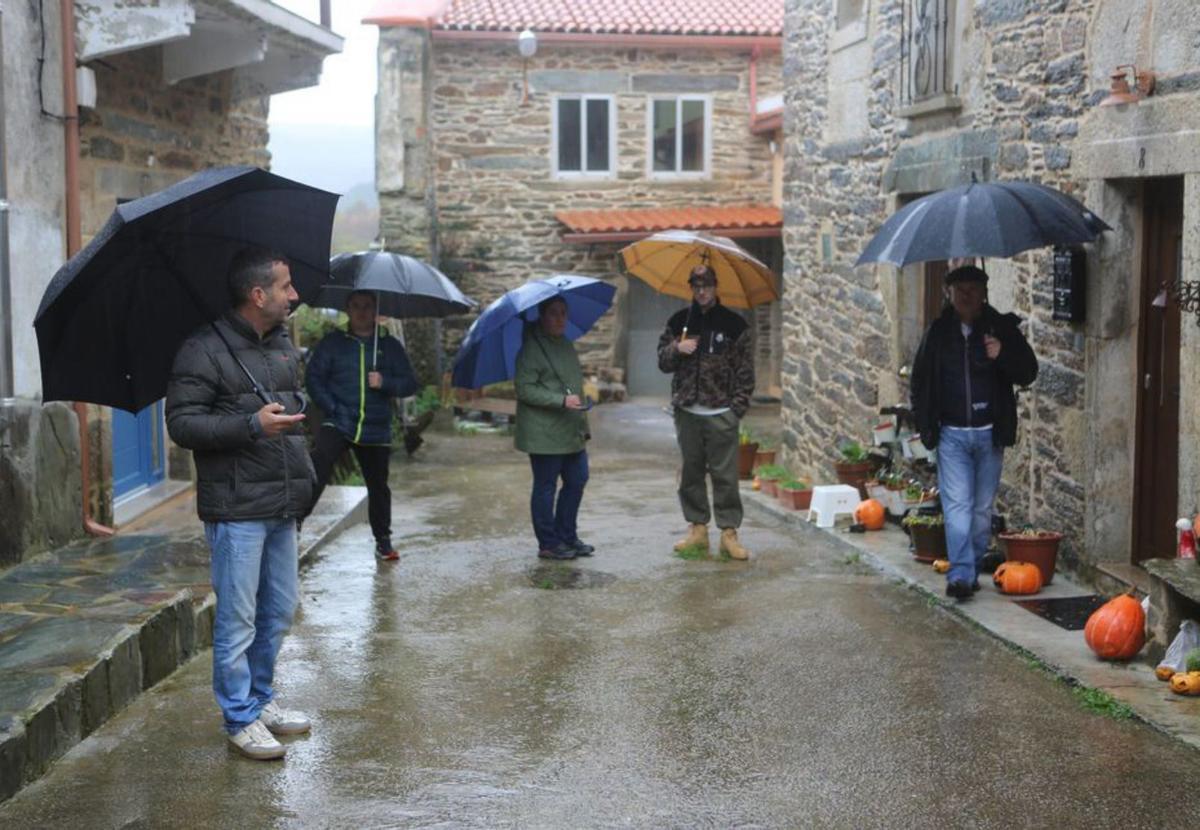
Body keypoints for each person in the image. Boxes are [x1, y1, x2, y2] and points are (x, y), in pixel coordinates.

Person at [166, 248, 315, 761]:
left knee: (277, 612)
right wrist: (251, 424)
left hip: (282, 499)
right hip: (236, 509)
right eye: (285, 286)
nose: (294, 295)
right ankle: (240, 717)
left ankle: (260, 698)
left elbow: (294, 404)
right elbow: (183, 425)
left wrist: (291, 412)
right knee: (238, 619)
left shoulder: (280, 345)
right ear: (258, 295)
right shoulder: (202, 350)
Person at [910, 265, 1038, 601]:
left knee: (981, 512)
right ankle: (962, 575)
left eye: (972, 288)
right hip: (952, 435)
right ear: (949, 295)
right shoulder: (937, 334)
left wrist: (1002, 354)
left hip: (989, 435)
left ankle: (972, 564)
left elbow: (1028, 372)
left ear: (983, 292)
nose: (966, 295)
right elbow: (920, 382)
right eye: (959, 289)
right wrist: (927, 429)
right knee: (958, 508)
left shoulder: (1001, 328)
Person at [305, 290, 418, 561]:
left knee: (378, 485)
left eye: (367, 306)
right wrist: (331, 406)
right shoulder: (333, 343)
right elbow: (314, 378)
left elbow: (410, 383)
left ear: (375, 310)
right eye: (356, 306)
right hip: (339, 420)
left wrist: (385, 383)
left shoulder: (389, 346)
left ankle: (383, 540)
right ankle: (294, 522)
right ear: (347, 309)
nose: (362, 312)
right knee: (318, 467)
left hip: (375, 427)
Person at [657, 264, 756, 560]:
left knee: (725, 476)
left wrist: (735, 409)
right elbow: (662, 362)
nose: (701, 291)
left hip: (721, 412)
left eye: (707, 286)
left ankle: (729, 533)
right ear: (691, 288)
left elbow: (745, 372)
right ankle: (697, 530)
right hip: (688, 410)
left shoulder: (734, 325)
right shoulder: (679, 322)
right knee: (691, 474)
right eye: (696, 286)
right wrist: (678, 348)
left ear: (716, 287)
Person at [513, 295, 593, 560]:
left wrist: (583, 423)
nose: (560, 319)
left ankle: (567, 536)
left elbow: (574, 387)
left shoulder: (566, 345)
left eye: (563, 313)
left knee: (578, 478)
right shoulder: (531, 348)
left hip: (570, 430)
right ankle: (548, 543)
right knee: (546, 486)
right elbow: (524, 389)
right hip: (544, 433)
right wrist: (559, 400)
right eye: (554, 313)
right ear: (541, 316)